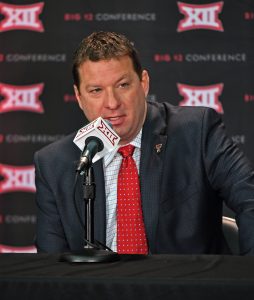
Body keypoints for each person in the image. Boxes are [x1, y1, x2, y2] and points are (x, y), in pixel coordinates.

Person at [34, 31, 254, 255]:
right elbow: (51, 264)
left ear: (144, 83)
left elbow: (250, 200)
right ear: (79, 97)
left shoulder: (197, 131)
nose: (112, 103)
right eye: (96, 90)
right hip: (99, 288)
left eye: (122, 85)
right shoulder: (54, 163)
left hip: (183, 285)